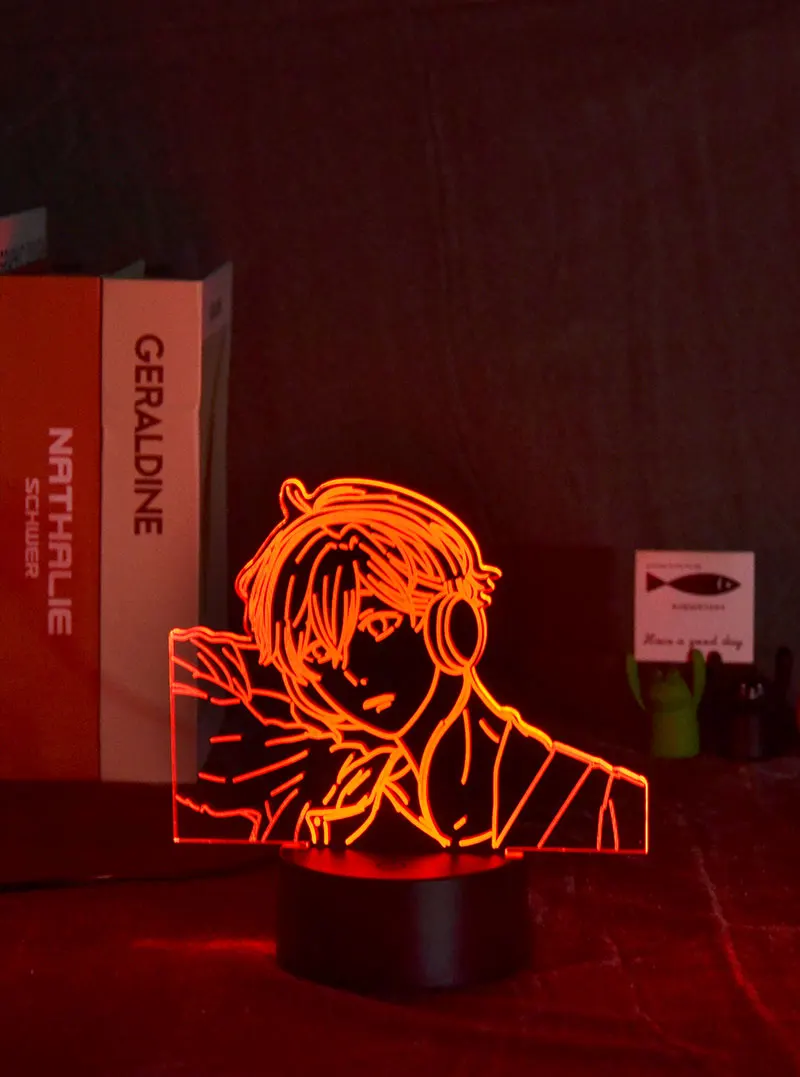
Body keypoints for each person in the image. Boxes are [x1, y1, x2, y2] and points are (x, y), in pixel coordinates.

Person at [171, 478, 647, 853]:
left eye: (377, 627)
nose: (352, 674)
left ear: (455, 624)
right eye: (318, 656)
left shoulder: (604, 805)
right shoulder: (352, 799)